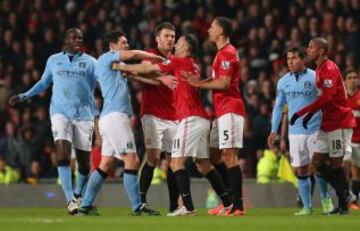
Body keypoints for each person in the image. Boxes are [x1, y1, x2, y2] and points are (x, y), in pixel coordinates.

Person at [113, 34, 232, 216]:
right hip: (201, 119)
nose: (175, 44)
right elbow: (156, 78)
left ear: (186, 47)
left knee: (176, 162)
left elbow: (149, 67)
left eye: (178, 41)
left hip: (189, 118)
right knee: (203, 165)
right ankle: (228, 202)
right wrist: (134, 75)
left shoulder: (178, 61)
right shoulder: (192, 64)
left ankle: (188, 207)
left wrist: (122, 66)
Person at [9, 28, 97, 214]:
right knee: (62, 153)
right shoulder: (54, 60)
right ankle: (70, 200)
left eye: (80, 38)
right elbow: (43, 83)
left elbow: (103, 82)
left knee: (84, 164)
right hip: (60, 113)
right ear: (65, 40)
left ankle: (78, 194)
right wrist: (24, 96)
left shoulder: (90, 62)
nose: (78, 41)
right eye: (74, 38)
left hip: (84, 116)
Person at [76, 31, 164, 216]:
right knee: (132, 160)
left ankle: (85, 205)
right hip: (115, 117)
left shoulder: (116, 65)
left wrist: (158, 76)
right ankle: (137, 207)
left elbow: (136, 71)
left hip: (113, 118)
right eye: (123, 42)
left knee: (106, 164)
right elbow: (134, 56)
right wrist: (158, 57)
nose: (127, 45)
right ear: (112, 46)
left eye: (127, 41)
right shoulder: (105, 58)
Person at [185, 17, 246, 216]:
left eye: (212, 27)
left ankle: (238, 206)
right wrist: (198, 82)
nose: (208, 30)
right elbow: (217, 79)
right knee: (212, 155)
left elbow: (224, 83)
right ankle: (228, 201)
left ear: (220, 31)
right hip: (221, 112)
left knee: (229, 155)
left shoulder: (228, 52)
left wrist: (198, 84)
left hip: (230, 109)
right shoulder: (221, 54)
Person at [290, 37, 356, 214]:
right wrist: (310, 115)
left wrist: (302, 112)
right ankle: (345, 193)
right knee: (317, 163)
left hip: (339, 123)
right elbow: (324, 100)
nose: (308, 50)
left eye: (311, 47)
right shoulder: (319, 69)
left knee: (335, 164)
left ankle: (343, 204)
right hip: (326, 123)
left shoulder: (330, 68)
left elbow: (327, 97)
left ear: (321, 51)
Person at [268, 46, 333, 215]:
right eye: (288, 58)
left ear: (303, 59)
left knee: (318, 166)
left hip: (315, 129)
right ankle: (307, 207)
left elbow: (326, 100)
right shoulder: (283, 82)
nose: (290, 61)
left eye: (295, 58)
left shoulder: (315, 76)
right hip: (294, 132)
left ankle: (326, 201)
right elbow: (279, 107)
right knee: (300, 170)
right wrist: (273, 130)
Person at [137, 22, 180, 212]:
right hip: (152, 114)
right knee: (153, 157)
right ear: (157, 38)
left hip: (173, 115)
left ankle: (173, 207)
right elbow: (140, 70)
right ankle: (140, 203)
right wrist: (160, 78)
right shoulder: (151, 55)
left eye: (173, 36)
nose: (170, 39)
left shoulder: (177, 59)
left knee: (174, 160)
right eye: (166, 36)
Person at [343, 68, 360, 210]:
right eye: (350, 77)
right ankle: (345, 199)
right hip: (345, 140)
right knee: (344, 168)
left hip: (359, 140)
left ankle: (353, 201)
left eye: (355, 77)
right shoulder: (342, 98)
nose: (353, 79)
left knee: (356, 171)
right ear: (345, 81)